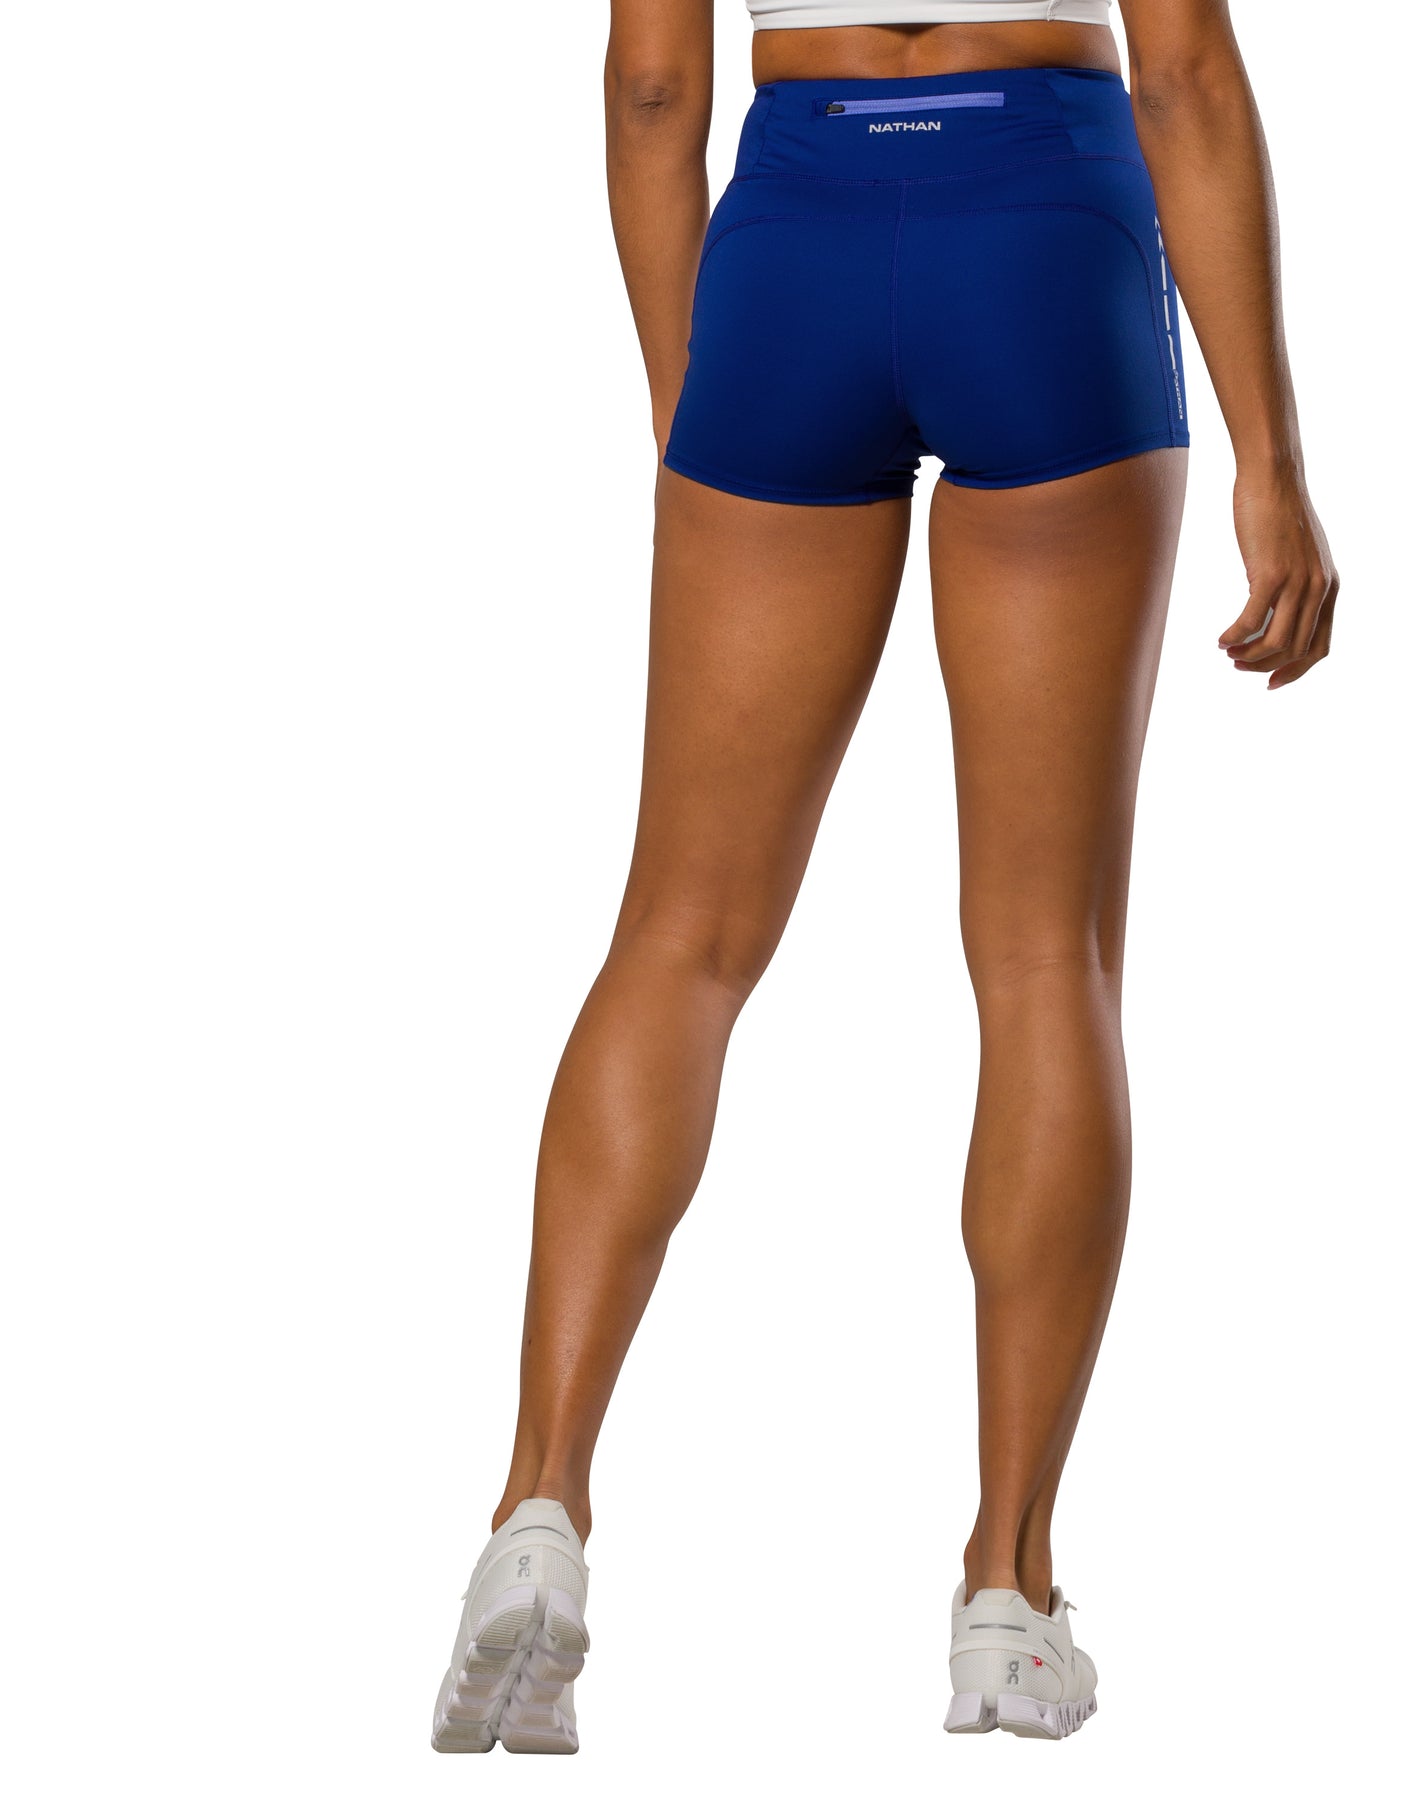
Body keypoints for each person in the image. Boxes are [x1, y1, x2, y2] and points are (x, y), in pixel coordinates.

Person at [431, 0, 1338, 1753]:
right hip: (1045, 229)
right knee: (1047, 958)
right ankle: (1009, 1593)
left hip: (797, 238)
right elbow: (1187, 75)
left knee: (681, 938)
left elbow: (651, 84)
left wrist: (697, 397)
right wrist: (1273, 465)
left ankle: (536, 1510)